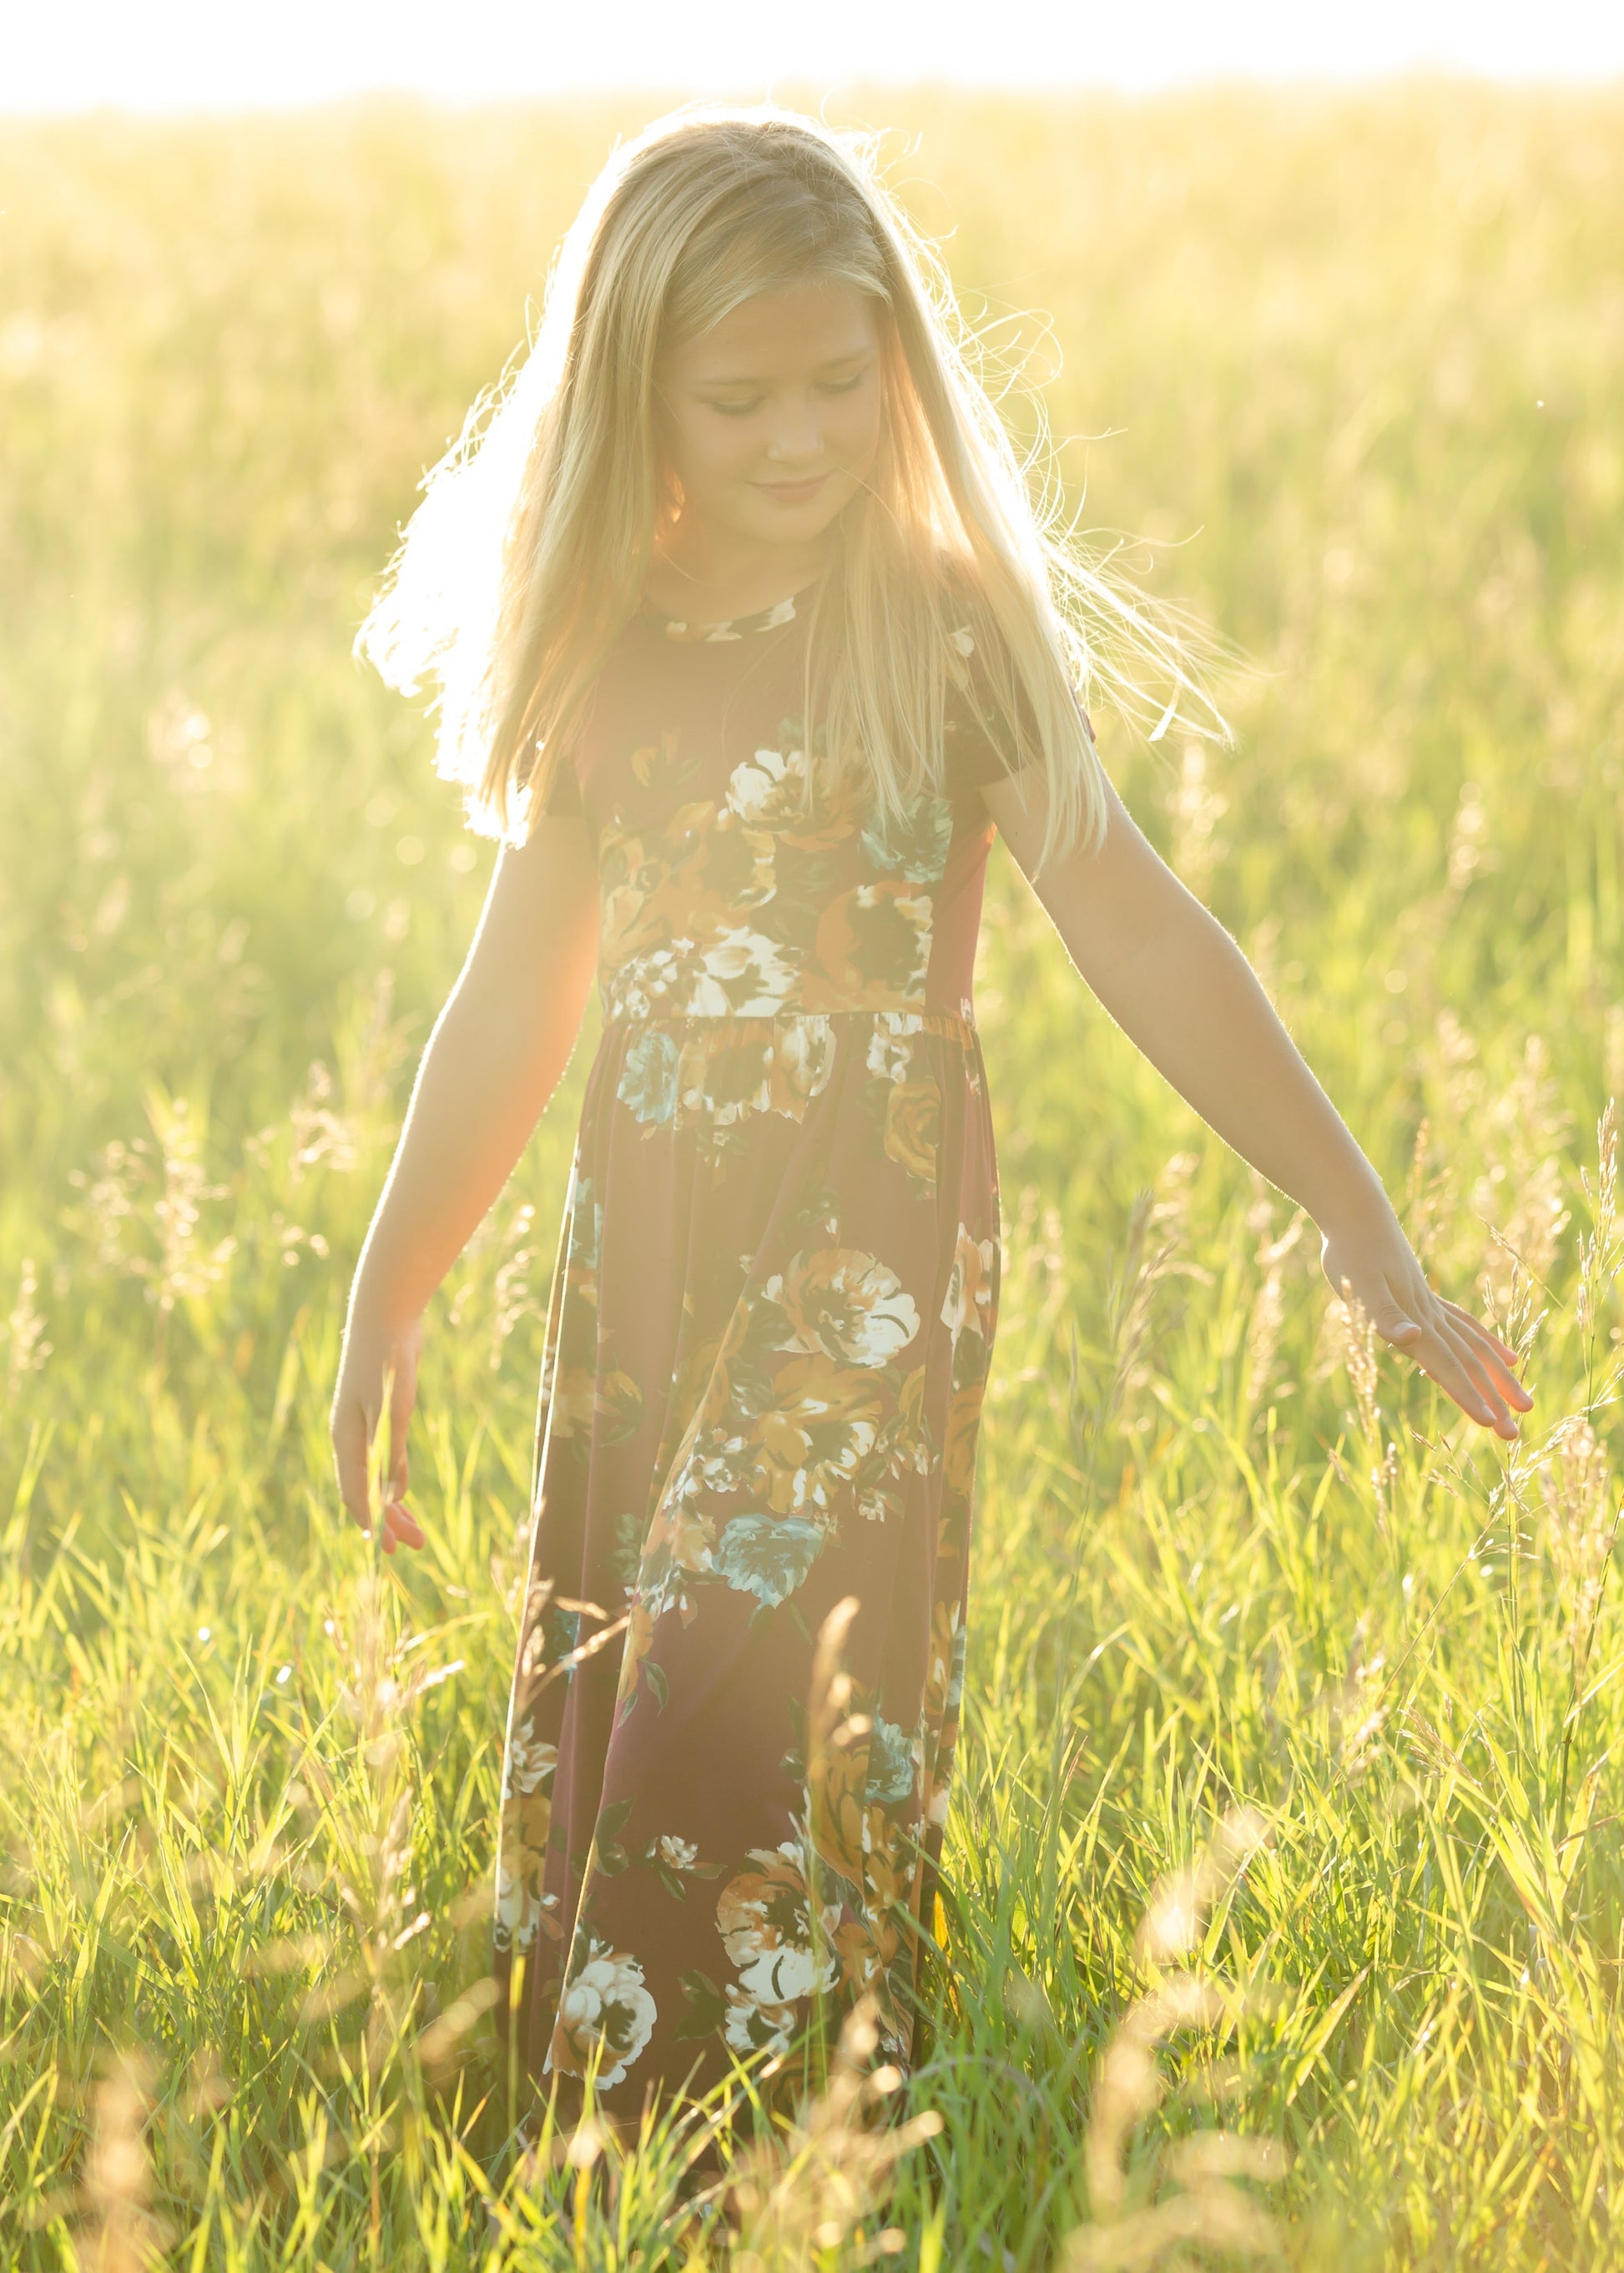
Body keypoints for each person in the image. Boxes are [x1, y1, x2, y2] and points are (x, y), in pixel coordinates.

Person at [330, 103, 1531, 2144]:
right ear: (640, 399)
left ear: (895, 365)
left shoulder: (942, 626)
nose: (797, 435)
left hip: (862, 1234)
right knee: (638, 1643)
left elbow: (1141, 931)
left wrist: (1356, 1221)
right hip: (651, 1234)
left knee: (738, 1631)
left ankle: (744, 2118)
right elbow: (509, 1002)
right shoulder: (610, 651)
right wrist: (394, 1284)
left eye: (835, 379)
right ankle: (631, 2122)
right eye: (739, 398)